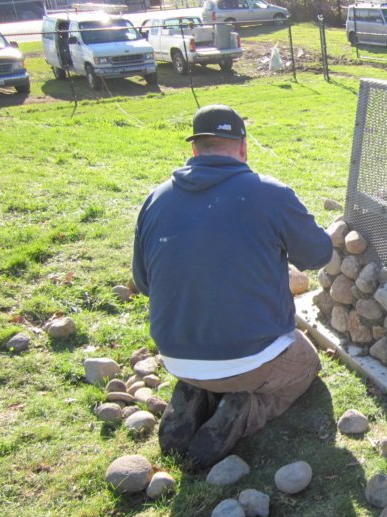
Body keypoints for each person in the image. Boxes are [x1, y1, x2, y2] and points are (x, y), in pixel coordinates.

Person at [132, 104, 333, 468]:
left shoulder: (155, 199)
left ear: (194, 150)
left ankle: (198, 391)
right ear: (243, 147)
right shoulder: (271, 193)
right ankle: (245, 411)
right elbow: (318, 255)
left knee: (214, 367)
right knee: (306, 365)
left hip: (176, 355)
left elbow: (145, 284)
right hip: (250, 358)